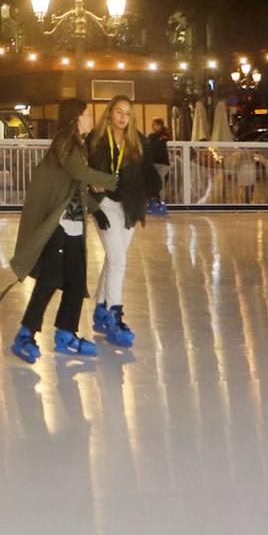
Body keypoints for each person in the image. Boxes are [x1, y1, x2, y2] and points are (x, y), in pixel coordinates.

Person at [4, 98, 119, 363]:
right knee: (50, 281)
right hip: (58, 228)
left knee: (76, 283)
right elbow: (80, 173)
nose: (91, 118)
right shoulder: (66, 144)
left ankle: (66, 333)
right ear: (76, 118)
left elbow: (75, 189)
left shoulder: (78, 145)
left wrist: (96, 204)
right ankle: (25, 334)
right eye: (87, 114)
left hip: (75, 226)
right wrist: (114, 181)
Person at [88, 96, 159, 349]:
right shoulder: (95, 139)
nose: (123, 117)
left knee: (113, 258)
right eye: (118, 112)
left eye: (127, 114)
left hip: (129, 205)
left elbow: (148, 171)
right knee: (118, 259)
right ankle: (115, 315)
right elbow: (84, 170)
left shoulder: (138, 142)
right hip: (104, 202)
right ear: (109, 114)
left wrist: (154, 194)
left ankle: (100, 308)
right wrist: (91, 184)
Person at [144, 117, 172, 216]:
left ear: (159, 125)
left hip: (163, 163)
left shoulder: (165, 136)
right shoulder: (152, 136)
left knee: (160, 180)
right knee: (152, 182)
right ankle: (152, 203)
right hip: (153, 163)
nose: (152, 126)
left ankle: (162, 203)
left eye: (154, 124)